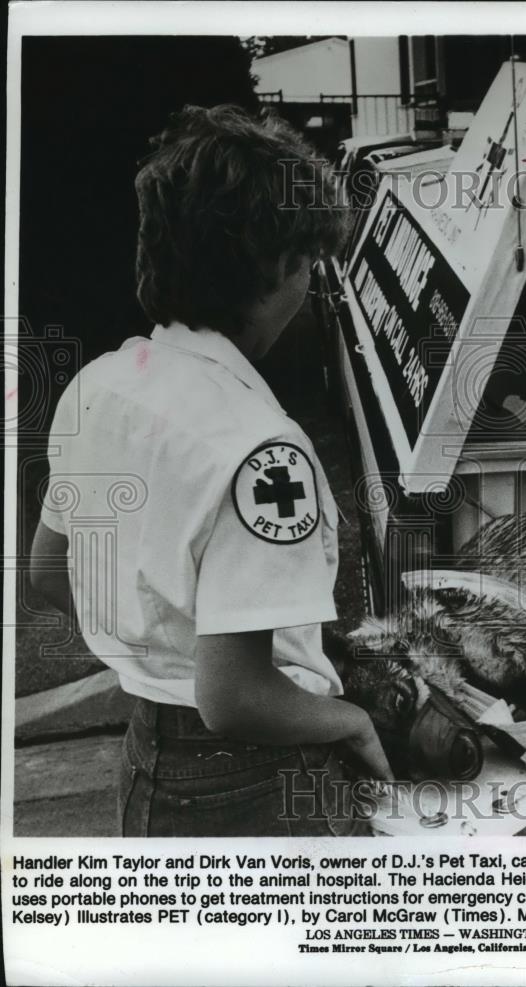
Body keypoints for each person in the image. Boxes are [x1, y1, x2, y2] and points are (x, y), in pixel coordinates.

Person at [29, 105, 393, 837]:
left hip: (147, 763)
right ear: (280, 266)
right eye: (308, 264)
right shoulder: (264, 451)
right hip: (255, 781)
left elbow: (48, 570)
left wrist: (155, 644)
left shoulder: (99, 385)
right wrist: (348, 721)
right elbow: (235, 697)